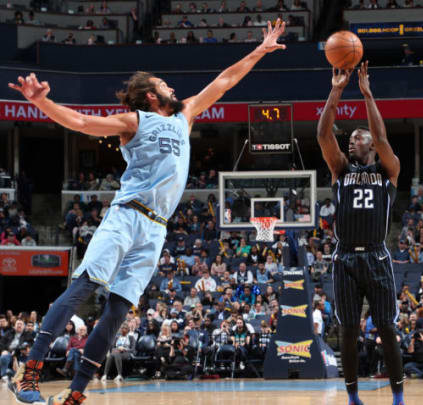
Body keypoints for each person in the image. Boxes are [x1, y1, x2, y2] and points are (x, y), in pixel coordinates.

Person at [6, 19, 287, 405]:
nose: (172, 87)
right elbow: (82, 122)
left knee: (119, 309)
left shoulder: (184, 115)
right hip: (127, 215)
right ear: (150, 96)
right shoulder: (134, 121)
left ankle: (76, 392)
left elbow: (224, 81)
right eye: (163, 85)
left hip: (157, 229)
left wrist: (260, 49)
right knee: (83, 288)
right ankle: (28, 371)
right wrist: (41, 102)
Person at [317, 61, 403, 405]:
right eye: (351, 136)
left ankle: (398, 398)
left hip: (377, 254)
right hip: (345, 256)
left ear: (370, 145)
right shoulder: (341, 169)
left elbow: (381, 136)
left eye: (358, 136)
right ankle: (353, 398)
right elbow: (323, 135)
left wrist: (367, 94)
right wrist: (336, 90)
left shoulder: (388, 170)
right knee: (349, 331)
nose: (352, 138)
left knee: (386, 328)